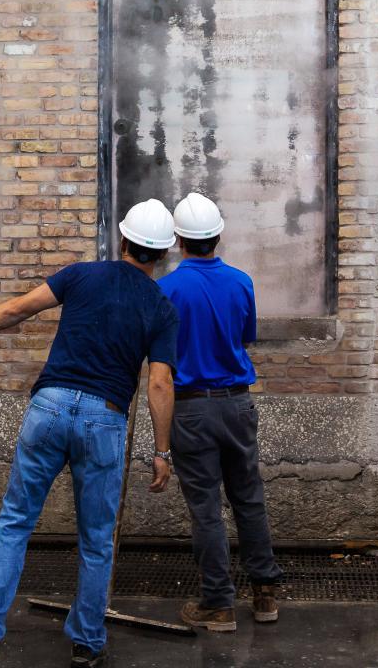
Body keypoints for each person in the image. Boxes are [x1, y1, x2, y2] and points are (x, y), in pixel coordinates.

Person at [0, 198, 181, 668]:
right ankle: (87, 643)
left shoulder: (81, 275)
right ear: (164, 254)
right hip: (104, 420)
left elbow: (17, 310)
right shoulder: (161, 308)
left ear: (124, 240)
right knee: (95, 539)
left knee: (14, 523)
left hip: (48, 408)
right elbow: (159, 381)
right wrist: (162, 451)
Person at [158, 192, 284, 632]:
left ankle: (218, 603)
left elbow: (159, 357)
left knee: (207, 509)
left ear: (178, 240)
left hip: (191, 409)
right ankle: (265, 594)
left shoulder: (166, 289)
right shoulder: (241, 282)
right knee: (249, 498)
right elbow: (245, 337)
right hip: (237, 403)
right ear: (218, 235)